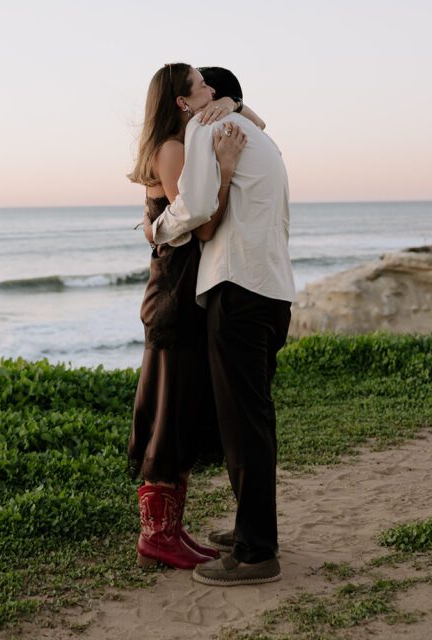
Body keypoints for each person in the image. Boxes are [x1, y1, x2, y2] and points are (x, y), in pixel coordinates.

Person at [150, 80, 296, 586]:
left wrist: (156, 230)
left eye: (206, 86)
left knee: (243, 426)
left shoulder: (202, 127)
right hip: (274, 291)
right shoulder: (260, 138)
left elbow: (194, 210)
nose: (205, 92)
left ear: (197, 101)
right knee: (253, 420)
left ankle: (257, 553)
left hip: (237, 288)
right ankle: (252, 532)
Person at [127, 63, 261, 570]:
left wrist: (234, 106)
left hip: (179, 291)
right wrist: (225, 170)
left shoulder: (180, 138)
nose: (212, 89)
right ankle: (157, 537)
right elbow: (202, 228)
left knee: (177, 411)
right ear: (182, 102)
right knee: (168, 413)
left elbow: (259, 126)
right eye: (203, 85)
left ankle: (167, 533)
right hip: (175, 296)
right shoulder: (174, 148)